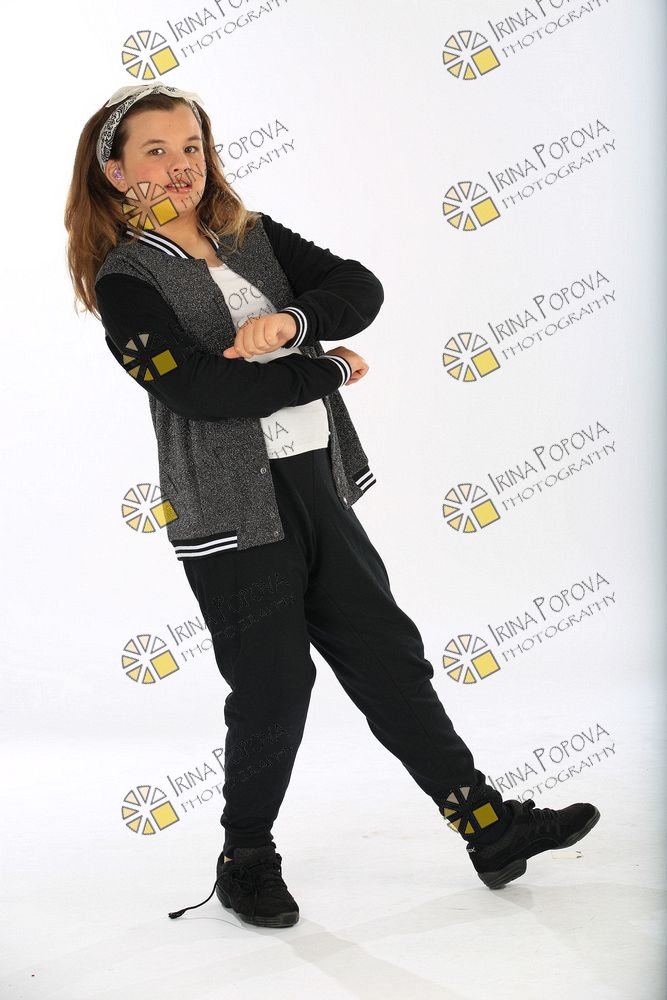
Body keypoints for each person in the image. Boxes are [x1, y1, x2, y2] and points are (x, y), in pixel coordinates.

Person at [65, 83, 601, 930]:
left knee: (388, 657)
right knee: (274, 685)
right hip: (232, 513)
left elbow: (358, 287)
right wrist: (328, 368)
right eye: (155, 151)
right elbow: (200, 391)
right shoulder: (126, 278)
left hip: (314, 481)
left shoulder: (248, 235)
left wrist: (290, 322)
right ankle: (245, 859)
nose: (180, 166)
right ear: (116, 171)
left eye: (191, 146)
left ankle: (487, 828)